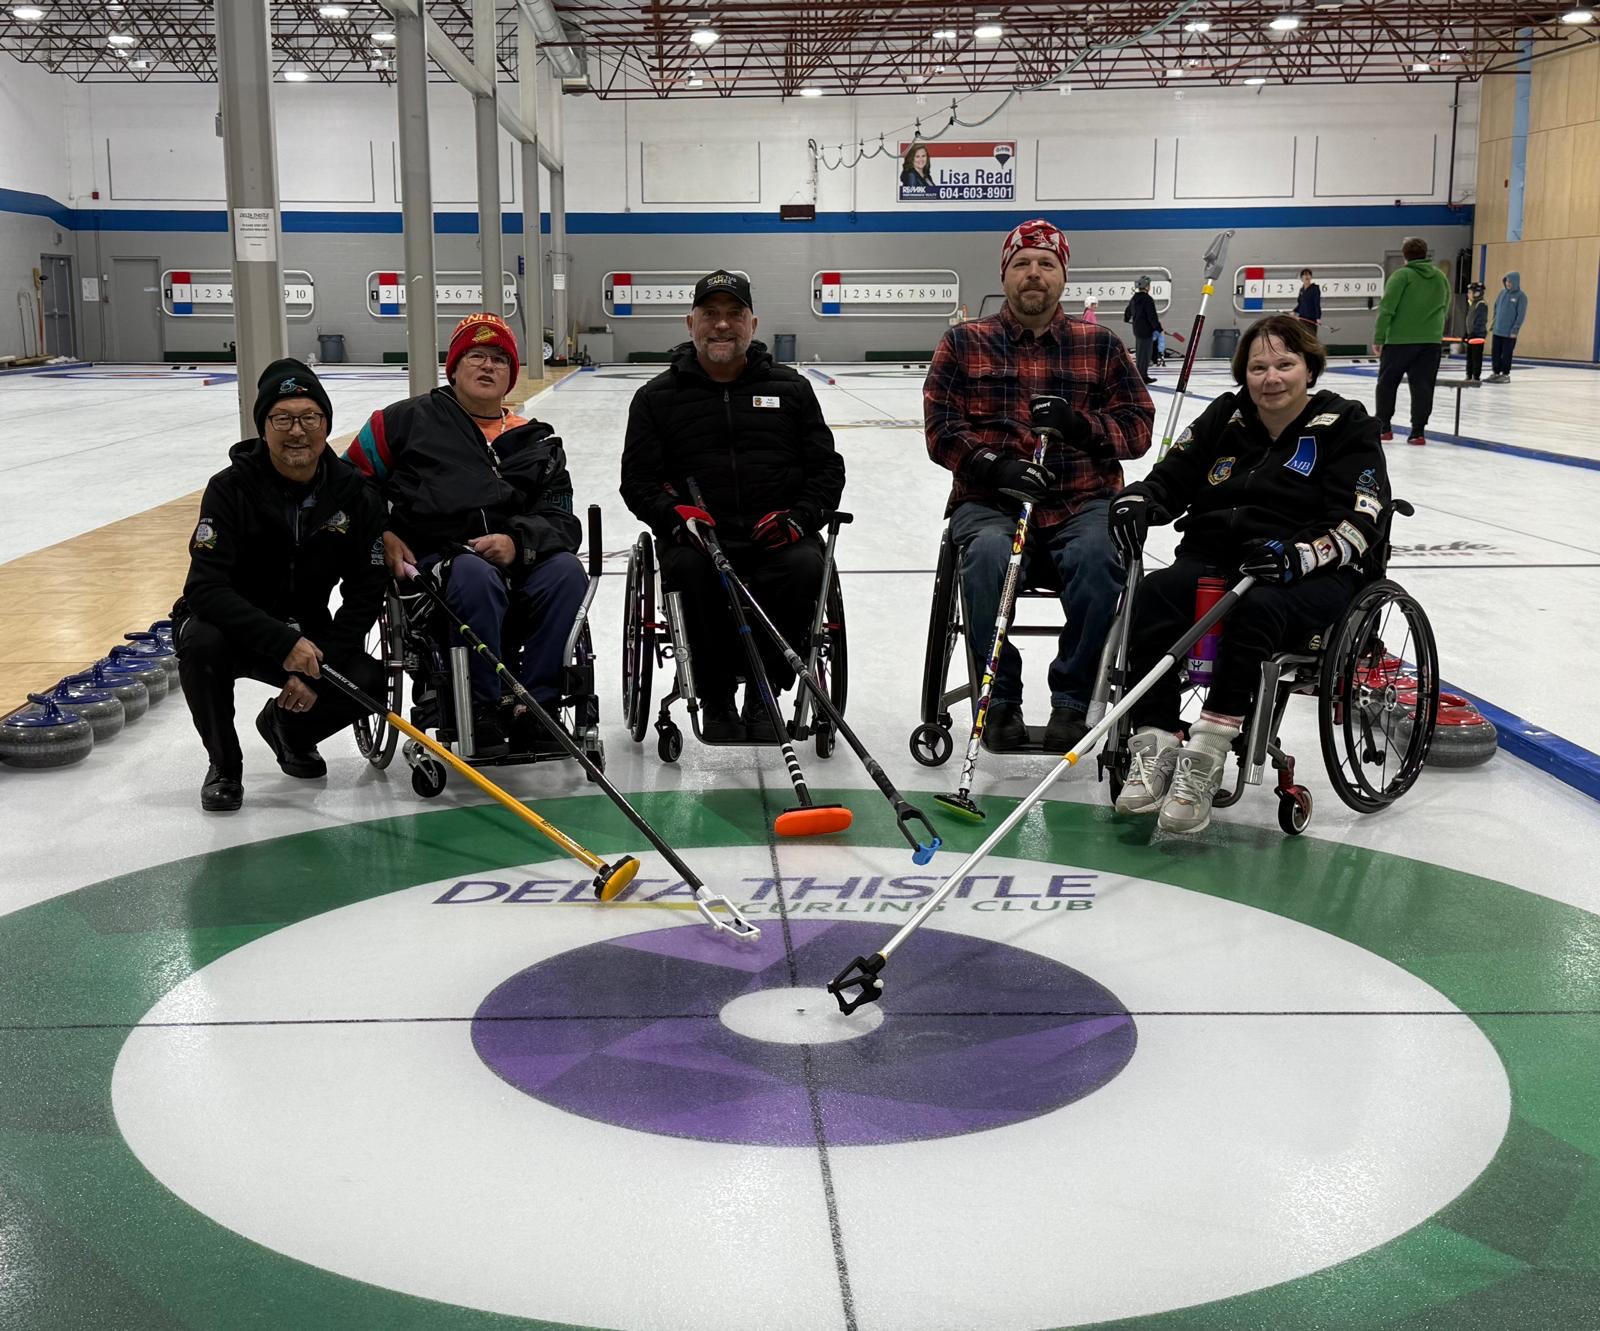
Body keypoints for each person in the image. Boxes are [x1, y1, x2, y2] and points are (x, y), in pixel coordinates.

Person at [1106, 314, 1389, 834]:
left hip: (1307, 574)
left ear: (1309, 368)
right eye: (1258, 366)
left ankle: (1207, 756)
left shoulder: (1347, 424)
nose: (1271, 377)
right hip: (1216, 558)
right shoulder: (1226, 416)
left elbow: (1361, 519)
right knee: (1156, 593)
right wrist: (1140, 499)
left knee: (1255, 609)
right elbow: (1174, 476)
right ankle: (1155, 739)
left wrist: (1299, 555)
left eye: (1285, 364)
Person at [925, 218, 1155, 753]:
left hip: (1083, 502)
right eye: (1023, 263)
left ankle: (1073, 702)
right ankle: (998, 699)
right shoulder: (962, 342)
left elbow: (1138, 430)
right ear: (1005, 274)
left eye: (1046, 264)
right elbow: (941, 431)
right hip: (990, 503)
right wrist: (993, 465)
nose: (1034, 274)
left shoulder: (1101, 344)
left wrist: (1082, 427)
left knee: (1103, 558)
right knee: (983, 558)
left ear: (1063, 277)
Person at [620, 270, 846, 742]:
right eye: (710, 314)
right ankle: (715, 692)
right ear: (690, 323)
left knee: (807, 565)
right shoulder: (655, 399)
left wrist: (800, 520)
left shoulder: (792, 390)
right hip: (699, 541)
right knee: (686, 570)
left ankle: (764, 694)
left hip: (776, 535)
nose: (721, 325)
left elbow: (827, 471)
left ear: (752, 323)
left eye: (733, 315)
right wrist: (674, 515)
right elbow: (637, 482)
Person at [346, 312, 586, 756]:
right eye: (475, 356)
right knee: (473, 574)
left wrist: (517, 543)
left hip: (518, 562)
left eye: (499, 359)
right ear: (453, 368)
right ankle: (479, 708)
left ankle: (536, 707)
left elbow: (562, 520)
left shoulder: (537, 443)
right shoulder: (400, 422)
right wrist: (380, 530)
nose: (487, 366)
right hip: (438, 562)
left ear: (511, 376)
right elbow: (348, 483)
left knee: (568, 572)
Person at [173, 359, 387, 812]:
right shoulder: (229, 490)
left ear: (326, 424)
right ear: (263, 427)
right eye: (283, 419)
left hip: (308, 631)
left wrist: (316, 655)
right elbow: (205, 589)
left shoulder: (355, 496)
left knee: (368, 679)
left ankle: (288, 730)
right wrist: (282, 643)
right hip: (235, 629)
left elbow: (366, 591)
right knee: (200, 642)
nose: (297, 431)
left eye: (310, 417)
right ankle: (225, 767)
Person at [1372, 237, 1450, 445]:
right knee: (1423, 386)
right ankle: (1418, 432)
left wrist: (1379, 337)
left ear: (1404, 255)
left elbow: (1387, 308)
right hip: (1430, 342)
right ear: (1426, 254)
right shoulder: (1441, 278)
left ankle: (1384, 427)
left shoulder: (1401, 276)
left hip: (1399, 341)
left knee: (1387, 384)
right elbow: (1446, 306)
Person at [1488, 272, 1529, 382]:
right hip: (1497, 330)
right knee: (1495, 353)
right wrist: (1494, 323)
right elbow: (1496, 308)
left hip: (1509, 332)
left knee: (1506, 354)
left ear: (1515, 282)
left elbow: (1521, 315)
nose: (1508, 283)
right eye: (1506, 281)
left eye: (1510, 281)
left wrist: (1515, 329)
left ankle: (1505, 374)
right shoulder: (1502, 293)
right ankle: (1495, 372)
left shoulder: (1521, 296)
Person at [1125, 275, 1162, 384]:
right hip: (1146, 331)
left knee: (1140, 353)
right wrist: (1158, 328)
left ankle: (1139, 375)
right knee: (1145, 354)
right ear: (1146, 286)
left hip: (1137, 330)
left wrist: (1127, 318)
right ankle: (1143, 376)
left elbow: (1127, 312)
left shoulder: (1134, 298)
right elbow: (1152, 316)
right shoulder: (1147, 299)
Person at [1463, 282, 1488, 382]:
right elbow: (1469, 320)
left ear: (1477, 293)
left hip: (1478, 336)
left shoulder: (1481, 304)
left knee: (1476, 357)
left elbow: (1480, 320)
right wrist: (1467, 333)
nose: (1468, 294)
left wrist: (1474, 332)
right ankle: (1469, 375)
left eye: (1469, 292)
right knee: (1469, 357)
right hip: (1471, 335)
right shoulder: (1472, 303)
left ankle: (1475, 376)